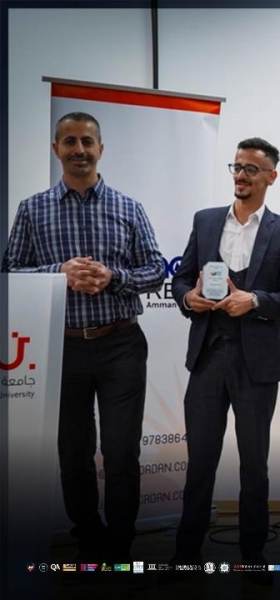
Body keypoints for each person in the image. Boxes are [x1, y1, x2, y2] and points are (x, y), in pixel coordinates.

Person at [2, 112, 165, 564]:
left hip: (121, 345)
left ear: (101, 149)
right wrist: (58, 273)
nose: (79, 150)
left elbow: (156, 271)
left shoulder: (129, 208)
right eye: (70, 141)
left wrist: (113, 277)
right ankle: (89, 540)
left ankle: (121, 547)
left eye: (87, 142)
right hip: (62, 347)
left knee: (121, 452)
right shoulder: (32, 209)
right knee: (73, 455)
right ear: (56, 149)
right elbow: (10, 272)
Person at [168, 137, 280, 585]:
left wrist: (255, 300)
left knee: (254, 464)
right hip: (208, 356)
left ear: (271, 177)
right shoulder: (206, 220)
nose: (241, 175)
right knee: (200, 462)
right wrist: (187, 298)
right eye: (237, 167)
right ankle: (186, 556)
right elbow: (181, 279)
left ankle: (253, 557)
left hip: (255, 362)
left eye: (251, 169)